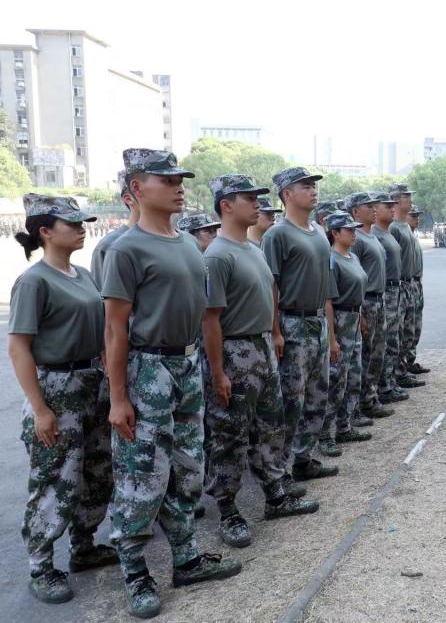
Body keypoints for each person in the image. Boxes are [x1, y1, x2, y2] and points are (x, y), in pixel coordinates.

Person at [102, 149, 241, 617]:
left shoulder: (186, 244)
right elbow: (114, 330)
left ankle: (186, 558)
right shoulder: (126, 249)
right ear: (137, 188)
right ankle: (135, 572)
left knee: (186, 467)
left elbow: (202, 314)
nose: (178, 187)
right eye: (166, 180)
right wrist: (118, 397)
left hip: (186, 365)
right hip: (148, 370)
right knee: (142, 474)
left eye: (180, 180)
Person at [201, 174, 319, 550]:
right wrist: (217, 371)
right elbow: (210, 320)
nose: (257, 204)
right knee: (230, 435)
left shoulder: (252, 248)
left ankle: (275, 494)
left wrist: (275, 333)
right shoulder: (217, 256)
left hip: (263, 347)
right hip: (234, 351)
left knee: (271, 425)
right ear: (226, 206)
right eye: (248, 198)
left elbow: (271, 291)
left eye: (257, 198)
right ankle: (228, 510)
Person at [8, 195, 116, 604]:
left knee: (97, 471)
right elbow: (19, 348)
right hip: (57, 388)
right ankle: (41, 565)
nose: (81, 228)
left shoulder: (83, 274)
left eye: (82, 222)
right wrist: (40, 409)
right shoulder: (34, 281)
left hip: (93, 383)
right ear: (45, 232)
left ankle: (83, 546)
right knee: (56, 479)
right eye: (71, 224)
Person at [261, 167, 342, 490]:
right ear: (287, 194)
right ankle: (281, 473)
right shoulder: (277, 235)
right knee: (291, 403)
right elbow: (270, 286)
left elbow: (327, 289)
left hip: (317, 322)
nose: (313, 190)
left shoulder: (318, 232)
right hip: (292, 323)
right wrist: (275, 331)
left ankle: (303, 459)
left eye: (313, 186)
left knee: (317, 396)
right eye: (305, 186)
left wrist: (331, 336)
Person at [323, 211, 374, 454]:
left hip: (353, 319)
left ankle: (344, 426)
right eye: (349, 230)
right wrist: (332, 339)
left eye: (355, 229)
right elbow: (328, 302)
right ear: (335, 233)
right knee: (336, 380)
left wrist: (361, 316)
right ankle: (325, 434)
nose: (354, 233)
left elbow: (359, 290)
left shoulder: (352, 257)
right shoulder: (331, 261)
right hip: (340, 319)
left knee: (353, 376)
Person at [344, 193, 395, 435]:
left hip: (379, 300)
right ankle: (358, 406)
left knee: (376, 354)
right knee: (364, 356)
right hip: (367, 302)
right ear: (355, 211)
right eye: (369, 206)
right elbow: (355, 276)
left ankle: (370, 399)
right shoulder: (357, 240)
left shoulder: (371, 236)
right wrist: (361, 311)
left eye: (375, 206)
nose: (374, 210)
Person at [372, 191, 411, 406]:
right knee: (385, 341)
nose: (392, 208)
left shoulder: (386, 233)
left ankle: (390, 381)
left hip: (396, 289)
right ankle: (383, 386)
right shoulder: (375, 235)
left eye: (392, 205)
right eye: (387, 206)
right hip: (385, 291)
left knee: (395, 338)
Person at [387, 183, 426, 390]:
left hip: (410, 284)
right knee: (399, 333)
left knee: (409, 331)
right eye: (406, 196)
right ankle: (397, 374)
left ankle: (403, 369)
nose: (410, 199)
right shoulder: (394, 228)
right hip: (400, 285)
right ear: (396, 200)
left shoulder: (405, 227)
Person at [91, 169, 140, 290]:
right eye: (165, 182)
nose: (179, 189)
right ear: (129, 198)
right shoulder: (109, 245)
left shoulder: (182, 240)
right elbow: (102, 295)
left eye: (178, 182)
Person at [405, 205, 429, 375]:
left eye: (417, 216)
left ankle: (410, 360)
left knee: (415, 326)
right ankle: (404, 365)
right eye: (413, 216)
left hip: (416, 283)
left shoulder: (412, 235)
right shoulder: (402, 234)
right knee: (408, 327)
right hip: (409, 283)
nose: (417, 219)